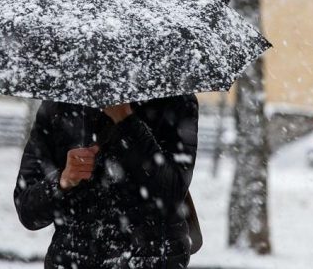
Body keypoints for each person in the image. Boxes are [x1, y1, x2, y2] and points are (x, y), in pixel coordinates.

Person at [14, 95, 198, 269]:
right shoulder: (60, 104)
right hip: (73, 259)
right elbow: (28, 212)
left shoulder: (175, 102)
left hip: (150, 259)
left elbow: (172, 192)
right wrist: (63, 180)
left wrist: (125, 120)